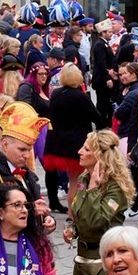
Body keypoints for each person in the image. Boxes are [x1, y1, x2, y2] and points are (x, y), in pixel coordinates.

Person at [62, 130, 135, 275]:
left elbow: (95, 222)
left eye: (86, 148)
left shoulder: (116, 188)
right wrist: (72, 228)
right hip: (82, 257)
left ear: (100, 155)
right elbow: (80, 214)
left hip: (106, 261)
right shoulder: (84, 178)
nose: (79, 152)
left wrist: (93, 190)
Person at [46, 63, 105, 207]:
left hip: (59, 143)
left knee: (73, 181)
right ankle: (73, 216)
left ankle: (72, 215)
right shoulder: (80, 96)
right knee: (78, 182)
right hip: (78, 144)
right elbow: (97, 118)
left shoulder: (55, 94)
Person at [91, 20, 117, 122]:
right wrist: (107, 78)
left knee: (106, 102)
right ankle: (100, 123)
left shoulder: (104, 44)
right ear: (103, 33)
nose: (111, 34)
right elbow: (101, 64)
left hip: (106, 77)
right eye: (109, 32)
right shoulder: (100, 45)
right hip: (102, 79)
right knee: (102, 103)